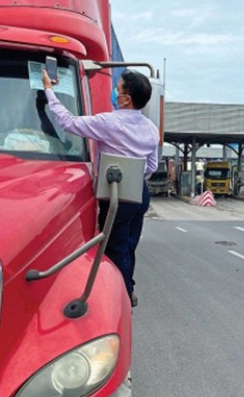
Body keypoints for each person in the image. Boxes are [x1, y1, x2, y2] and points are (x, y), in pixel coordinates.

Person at [42, 69, 159, 307]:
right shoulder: (151, 128)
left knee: (115, 249)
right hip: (140, 193)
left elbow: (68, 122)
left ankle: (122, 299)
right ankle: (130, 287)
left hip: (118, 194)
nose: (114, 92)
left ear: (126, 99)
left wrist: (49, 91)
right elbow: (151, 166)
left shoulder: (108, 122)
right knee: (129, 245)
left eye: (118, 89)